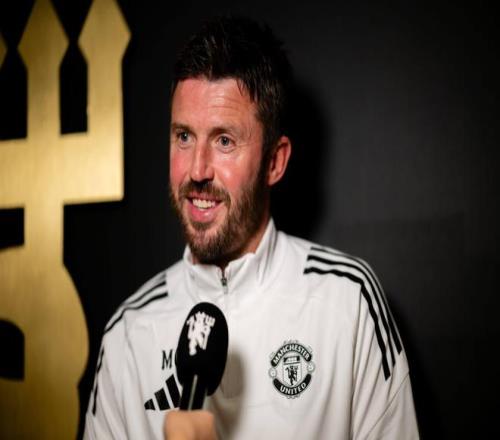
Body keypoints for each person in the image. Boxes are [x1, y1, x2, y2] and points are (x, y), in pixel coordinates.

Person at [84, 16, 419, 439]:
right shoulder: (128, 334)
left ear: (274, 162)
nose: (197, 170)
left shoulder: (348, 301)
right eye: (184, 137)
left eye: (224, 141)